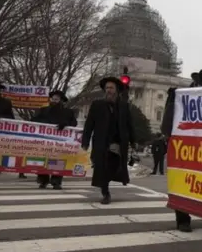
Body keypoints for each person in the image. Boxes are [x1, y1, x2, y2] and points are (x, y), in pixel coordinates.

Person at [162, 69, 202, 232]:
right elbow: (166, 126)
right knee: (183, 184)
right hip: (185, 150)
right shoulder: (180, 99)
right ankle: (183, 219)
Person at [81, 76, 136, 204]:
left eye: (111, 88)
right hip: (101, 142)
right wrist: (85, 141)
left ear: (116, 90)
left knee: (115, 166)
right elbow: (89, 124)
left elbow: (130, 125)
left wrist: (133, 141)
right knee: (102, 167)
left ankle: (106, 185)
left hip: (118, 143)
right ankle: (105, 193)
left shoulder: (123, 106)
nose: (108, 90)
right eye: (106, 88)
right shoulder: (97, 105)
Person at [32, 90, 77, 189]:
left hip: (60, 142)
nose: (54, 100)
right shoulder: (43, 110)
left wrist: (65, 124)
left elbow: (73, 124)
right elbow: (34, 121)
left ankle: (56, 181)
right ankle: (43, 180)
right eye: (53, 98)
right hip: (44, 140)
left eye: (57, 98)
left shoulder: (68, 112)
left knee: (57, 160)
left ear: (61, 100)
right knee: (43, 160)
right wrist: (45, 123)